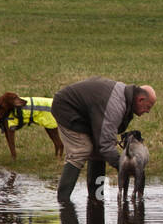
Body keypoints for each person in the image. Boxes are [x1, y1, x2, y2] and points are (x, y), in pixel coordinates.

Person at [51, 78, 156, 209]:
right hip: (66, 107)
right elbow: (106, 144)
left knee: (98, 151)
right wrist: (123, 166)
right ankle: (63, 203)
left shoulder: (124, 98)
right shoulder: (116, 106)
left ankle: (96, 198)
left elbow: (103, 143)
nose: (148, 111)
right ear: (140, 100)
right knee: (81, 150)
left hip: (85, 113)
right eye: (148, 107)